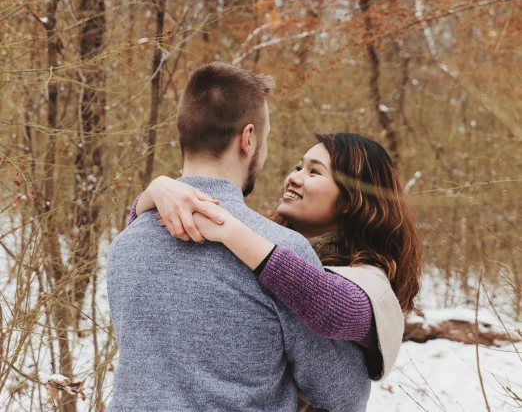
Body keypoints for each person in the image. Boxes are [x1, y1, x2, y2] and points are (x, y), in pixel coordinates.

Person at [106, 62, 371, 412]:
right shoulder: (284, 252)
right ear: (247, 139)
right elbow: (341, 396)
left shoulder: (124, 246)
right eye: (265, 138)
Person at [131, 131, 423, 395]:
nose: (294, 177)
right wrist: (155, 192)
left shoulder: (370, 278)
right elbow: (148, 251)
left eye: (314, 172)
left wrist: (233, 232)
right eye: (298, 167)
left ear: (352, 199)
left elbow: (332, 307)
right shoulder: (260, 244)